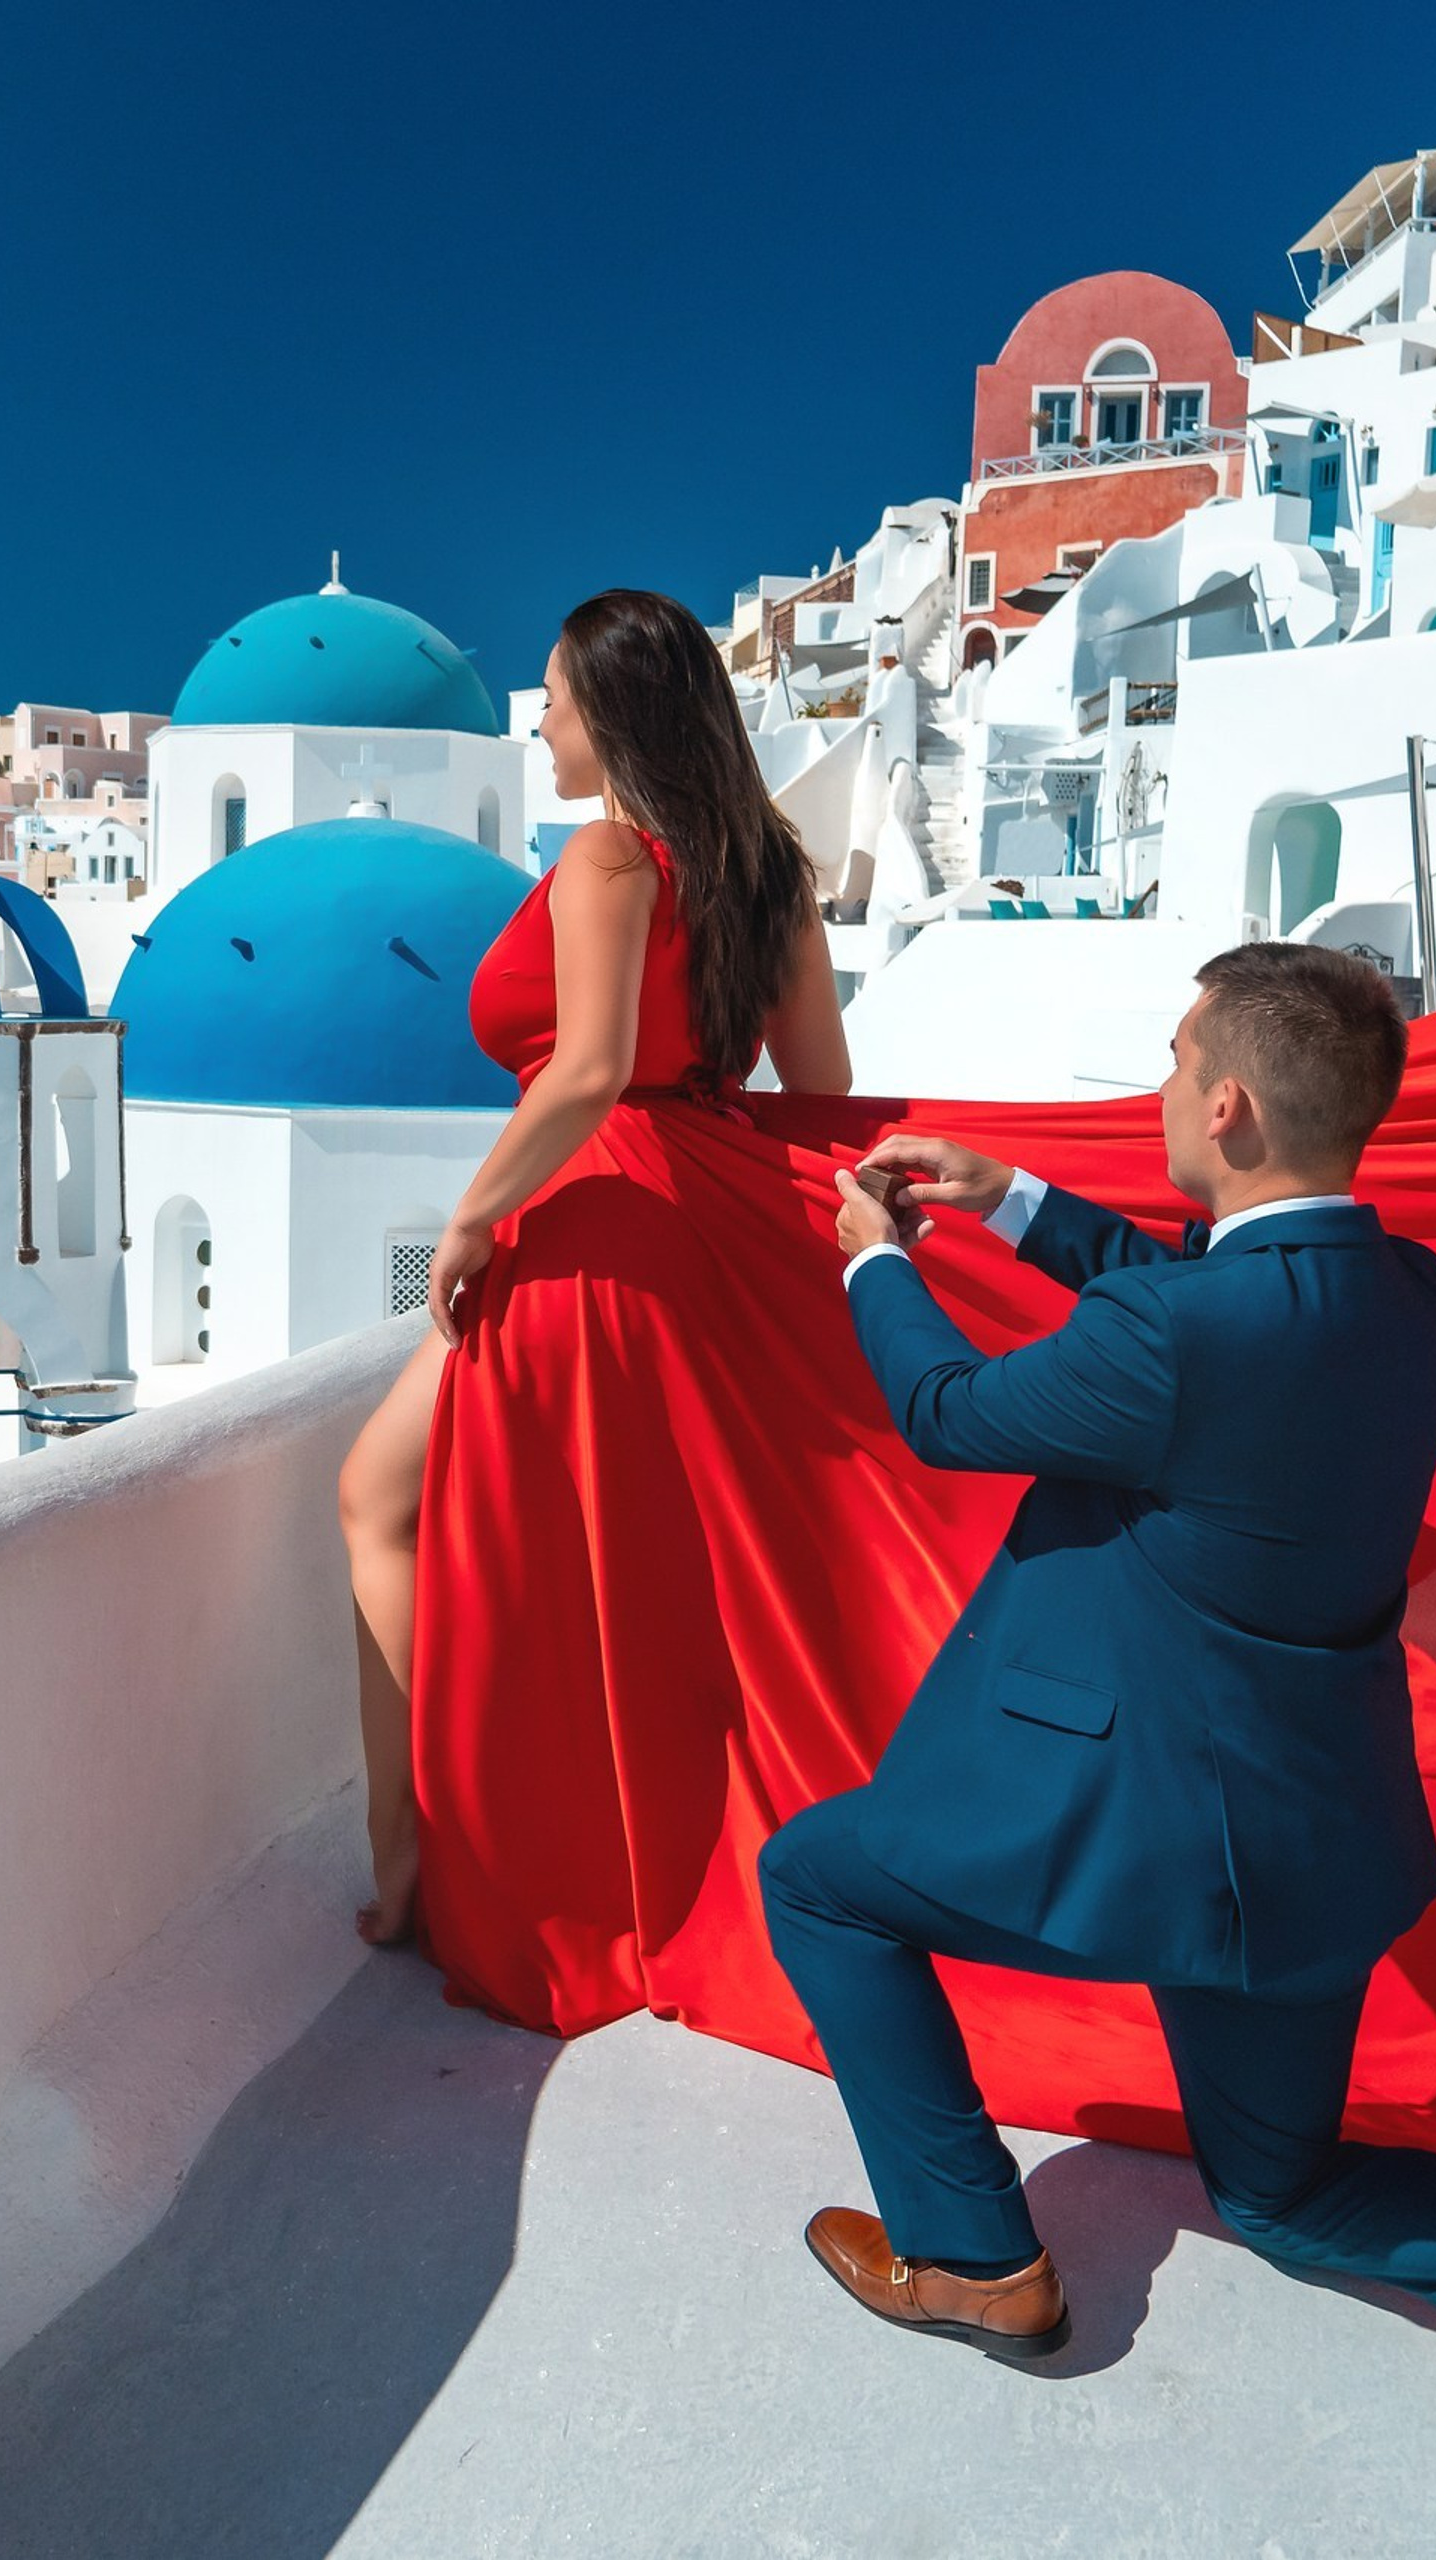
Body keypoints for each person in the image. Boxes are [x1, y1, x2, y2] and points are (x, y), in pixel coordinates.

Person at [758, 944, 1436, 2494]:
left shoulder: (1184, 1338)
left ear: (1227, 1104)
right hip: (1312, 1839)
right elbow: (1207, 1302)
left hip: (1150, 1834)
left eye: (1176, 1062)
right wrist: (1015, 1200)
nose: (1163, 1086)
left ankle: (971, 2257)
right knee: (1283, 2193)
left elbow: (947, 1413)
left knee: (818, 1880)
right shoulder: (1405, 1295)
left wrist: (873, 1266)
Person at [335, 588, 851, 1946]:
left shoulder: (610, 857)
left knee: (378, 1497)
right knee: (622, 1564)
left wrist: (473, 1220)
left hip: (590, 1211)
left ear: (610, 714)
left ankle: (418, 1863)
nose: (544, 727)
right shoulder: (773, 877)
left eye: (555, 702)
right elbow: (821, 1099)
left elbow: (590, 1069)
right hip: (704, 1224)